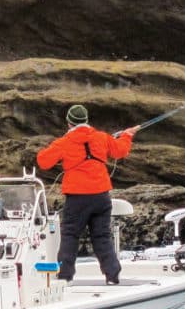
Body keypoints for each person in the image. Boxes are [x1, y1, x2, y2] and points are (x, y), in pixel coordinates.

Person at [36, 104, 139, 283]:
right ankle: (112, 275)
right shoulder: (101, 137)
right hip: (101, 196)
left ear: (69, 123)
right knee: (102, 236)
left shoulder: (64, 142)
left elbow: (43, 161)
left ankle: (64, 277)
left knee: (70, 236)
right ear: (86, 120)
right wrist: (127, 135)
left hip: (77, 198)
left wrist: (57, 146)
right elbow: (120, 150)